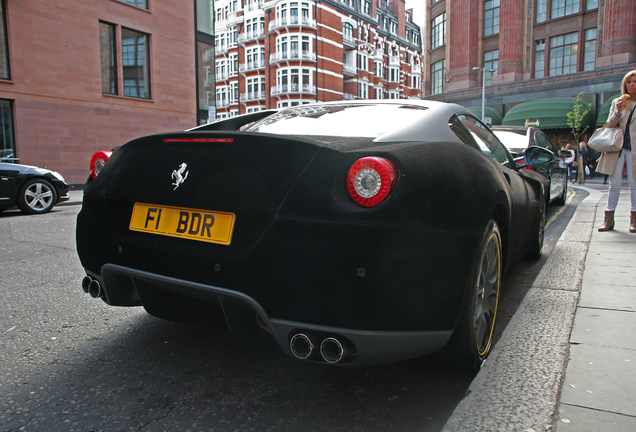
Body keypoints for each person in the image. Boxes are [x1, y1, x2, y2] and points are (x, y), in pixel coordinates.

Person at [596, 70, 636, 233]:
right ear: (625, 85)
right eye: (629, 82)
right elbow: (609, 125)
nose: (632, 85)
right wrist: (618, 112)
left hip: (634, 149)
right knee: (615, 185)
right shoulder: (617, 102)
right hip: (617, 148)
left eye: (634, 81)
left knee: (634, 184)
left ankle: (634, 220)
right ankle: (608, 220)